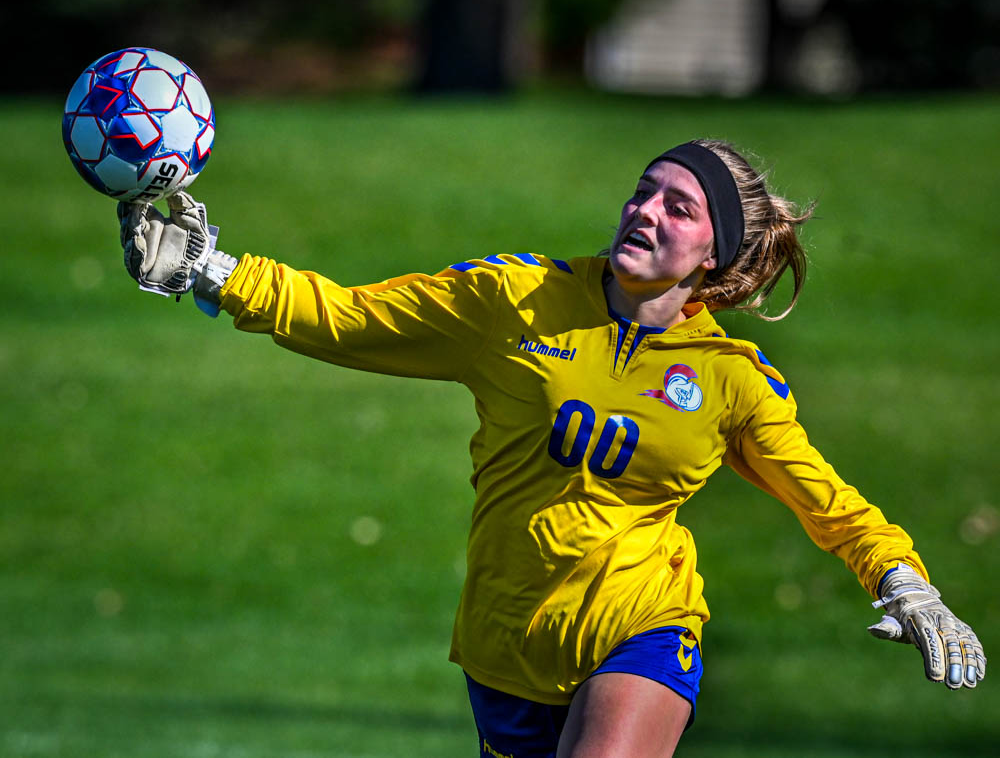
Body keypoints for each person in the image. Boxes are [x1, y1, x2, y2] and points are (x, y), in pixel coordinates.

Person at [117, 139, 986, 758]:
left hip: (641, 629)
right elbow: (347, 316)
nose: (644, 210)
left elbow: (823, 497)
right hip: (506, 644)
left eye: (676, 207)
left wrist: (906, 582)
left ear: (717, 252)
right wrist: (211, 271)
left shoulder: (734, 380)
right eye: (643, 191)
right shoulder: (514, 299)